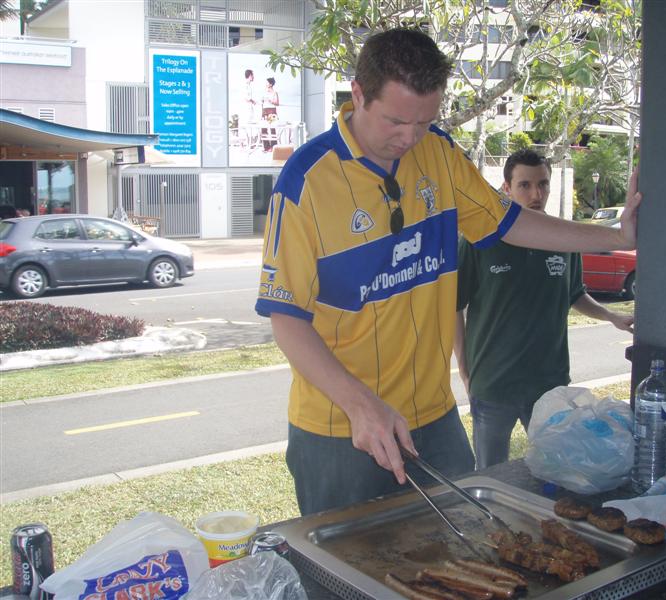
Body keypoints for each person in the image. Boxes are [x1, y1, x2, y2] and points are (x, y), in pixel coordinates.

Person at [254, 28, 641, 516]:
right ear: (358, 94)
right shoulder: (305, 182)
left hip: (432, 418)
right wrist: (359, 404)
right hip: (341, 424)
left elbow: (510, 222)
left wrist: (617, 238)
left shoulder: (438, 152)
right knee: (348, 570)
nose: (409, 138)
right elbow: (285, 317)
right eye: (396, 120)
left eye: (424, 121)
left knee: (463, 548)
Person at [454, 149, 635, 469]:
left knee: (554, 470)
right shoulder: (480, 239)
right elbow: (454, 307)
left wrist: (610, 316)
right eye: (524, 185)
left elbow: (574, 294)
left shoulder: (564, 240)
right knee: (490, 473)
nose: (536, 194)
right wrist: (466, 372)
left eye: (543, 184)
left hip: (549, 384)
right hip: (494, 385)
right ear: (506, 189)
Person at [261, 76, 280, 151]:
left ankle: (273, 147)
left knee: (272, 129)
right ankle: (266, 147)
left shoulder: (275, 92)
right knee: (263, 129)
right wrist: (262, 101)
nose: (266, 84)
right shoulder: (264, 92)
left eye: (267, 82)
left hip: (272, 110)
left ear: (271, 84)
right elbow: (262, 102)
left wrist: (270, 101)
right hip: (264, 110)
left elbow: (277, 103)